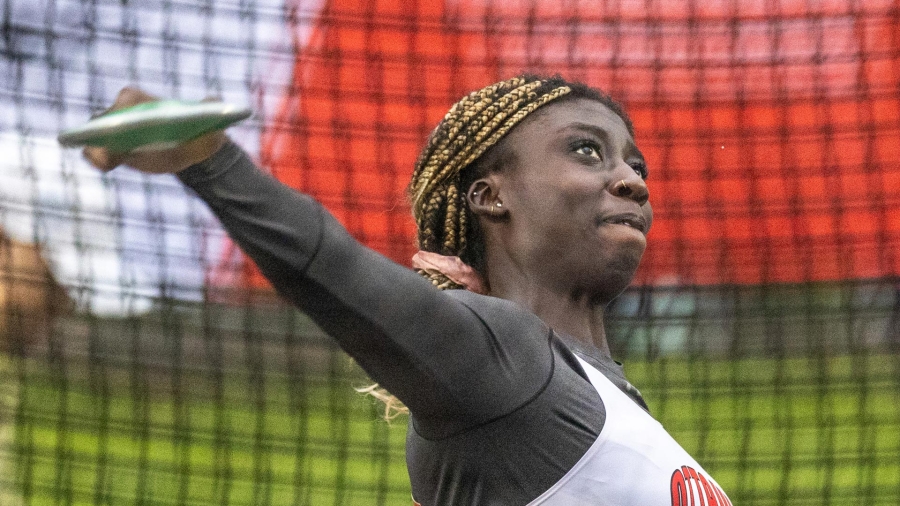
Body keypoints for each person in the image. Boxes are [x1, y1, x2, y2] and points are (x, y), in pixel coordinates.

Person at [85, 75, 731, 506]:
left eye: (635, 164)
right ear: (490, 196)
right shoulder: (505, 366)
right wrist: (212, 161)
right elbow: (332, 269)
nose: (632, 181)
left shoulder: (610, 398)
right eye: (587, 152)